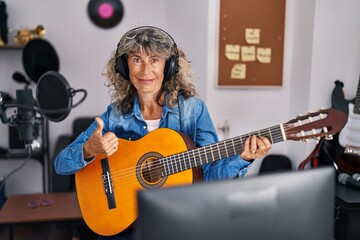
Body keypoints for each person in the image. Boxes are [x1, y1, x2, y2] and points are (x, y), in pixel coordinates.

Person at [54, 26, 272, 240]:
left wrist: (243, 157)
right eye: (137, 59)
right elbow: (61, 164)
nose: (145, 70)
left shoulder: (193, 110)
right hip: (123, 229)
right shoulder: (115, 115)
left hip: (177, 224)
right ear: (124, 66)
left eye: (155, 60)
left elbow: (210, 178)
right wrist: (88, 149)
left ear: (169, 67)